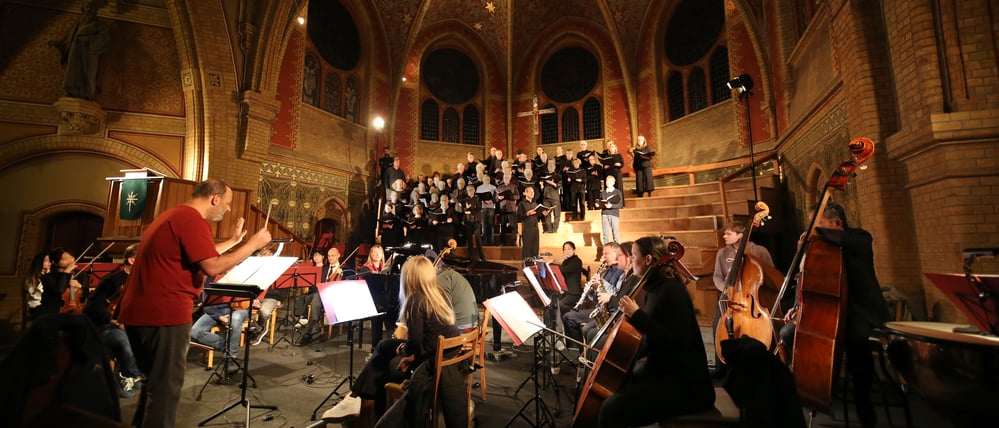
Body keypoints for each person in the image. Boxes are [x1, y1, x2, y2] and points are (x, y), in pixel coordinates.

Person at [116, 178, 271, 428]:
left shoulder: (176, 215)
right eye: (228, 203)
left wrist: (234, 241)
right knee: (165, 391)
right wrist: (253, 245)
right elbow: (211, 265)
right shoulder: (191, 220)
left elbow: (200, 254)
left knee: (154, 386)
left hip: (142, 312)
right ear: (215, 199)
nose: (228, 209)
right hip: (163, 313)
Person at [780, 201, 889, 428]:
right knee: (789, 333)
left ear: (836, 223)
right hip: (828, 310)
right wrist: (801, 305)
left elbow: (842, 239)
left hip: (861, 312)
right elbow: (811, 281)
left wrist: (814, 234)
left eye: (816, 224)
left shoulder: (859, 238)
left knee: (855, 341)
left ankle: (863, 403)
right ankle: (818, 389)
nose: (811, 230)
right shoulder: (820, 247)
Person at [322, 256, 466, 427]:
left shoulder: (416, 299)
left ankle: (366, 407)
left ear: (409, 278)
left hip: (430, 360)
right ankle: (355, 397)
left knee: (387, 366)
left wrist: (405, 353)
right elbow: (423, 340)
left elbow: (414, 344)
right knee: (383, 346)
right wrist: (406, 350)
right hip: (444, 354)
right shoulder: (439, 293)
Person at [598, 237, 715, 427]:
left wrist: (636, 314)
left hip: (686, 385)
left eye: (634, 256)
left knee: (610, 409)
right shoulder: (652, 289)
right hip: (664, 372)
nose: (630, 260)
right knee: (616, 385)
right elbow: (649, 338)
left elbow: (674, 342)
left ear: (649, 259)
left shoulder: (672, 291)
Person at [711, 221, 775, 375]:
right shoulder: (722, 253)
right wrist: (726, 290)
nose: (724, 236)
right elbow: (717, 277)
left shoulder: (760, 251)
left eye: (728, 233)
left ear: (741, 235)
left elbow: (772, 274)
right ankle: (721, 367)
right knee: (717, 324)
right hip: (730, 297)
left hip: (752, 297)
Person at [83, 243, 144, 397]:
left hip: (131, 324)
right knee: (126, 343)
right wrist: (114, 320)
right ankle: (127, 374)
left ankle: (133, 373)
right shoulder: (112, 280)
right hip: (106, 326)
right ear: (131, 260)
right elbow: (92, 307)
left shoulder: (143, 280)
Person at [563, 242, 623, 347]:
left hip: (610, 313)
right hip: (599, 309)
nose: (603, 256)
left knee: (587, 329)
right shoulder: (605, 271)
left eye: (606, 253)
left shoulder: (621, 272)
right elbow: (596, 298)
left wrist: (602, 283)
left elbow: (617, 294)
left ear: (616, 253)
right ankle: (578, 352)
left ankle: (590, 358)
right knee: (568, 317)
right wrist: (591, 290)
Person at [55, 0, 109, 100]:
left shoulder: (99, 24)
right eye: (87, 6)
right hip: (76, 48)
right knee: (74, 70)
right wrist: (58, 42)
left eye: (91, 7)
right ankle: (72, 90)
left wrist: (90, 40)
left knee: (88, 72)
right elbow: (68, 36)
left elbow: (104, 38)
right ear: (83, 9)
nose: (89, 9)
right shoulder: (77, 23)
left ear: (95, 10)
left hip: (90, 51)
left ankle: (87, 93)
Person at [36, 247, 83, 317]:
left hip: (73, 309)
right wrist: (67, 271)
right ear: (54, 262)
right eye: (66, 259)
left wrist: (80, 286)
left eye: (71, 258)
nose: (70, 261)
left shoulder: (80, 274)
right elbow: (60, 290)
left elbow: (86, 294)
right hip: (53, 311)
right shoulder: (47, 277)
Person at [518, 186, 549, 260]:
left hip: (535, 228)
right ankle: (526, 267)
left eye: (533, 192)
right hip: (527, 229)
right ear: (525, 193)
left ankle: (534, 267)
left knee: (535, 248)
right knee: (527, 249)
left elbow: (539, 216)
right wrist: (527, 214)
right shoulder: (522, 204)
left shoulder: (535, 204)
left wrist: (544, 214)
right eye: (530, 191)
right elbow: (519, 217)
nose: (532, 193)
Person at [556, 241, 584, 318]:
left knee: (560, 304)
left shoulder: (577, 261)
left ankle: (566, 320)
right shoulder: (565, 262)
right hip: (566, 292)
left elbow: (564, 270)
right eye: (565, 249)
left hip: (574, 293)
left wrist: (553, 266)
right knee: (553, 302)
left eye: (569, 249)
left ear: (574, 250)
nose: (567, 251)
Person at [23, 251, 51, 319]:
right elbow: (35, 295)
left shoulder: (49, 274)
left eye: (50, 260)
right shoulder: (31, 277)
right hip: (37, 306)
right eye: (46, 261)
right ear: (40, 262)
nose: (49, 263)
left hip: (46, 305)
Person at [597, 175, 623, 244]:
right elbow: (600, 203)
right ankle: (606, 250)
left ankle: (618, 249)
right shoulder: (603, 193)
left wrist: (611, 205)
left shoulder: (617, 192)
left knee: (615, 233)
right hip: (604, 214)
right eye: (607, 181)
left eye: (609, 181)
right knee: (605, 234)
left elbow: (620, 204)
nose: (608, 183)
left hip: (614, 214)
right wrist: (598, 205)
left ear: (613, 182)